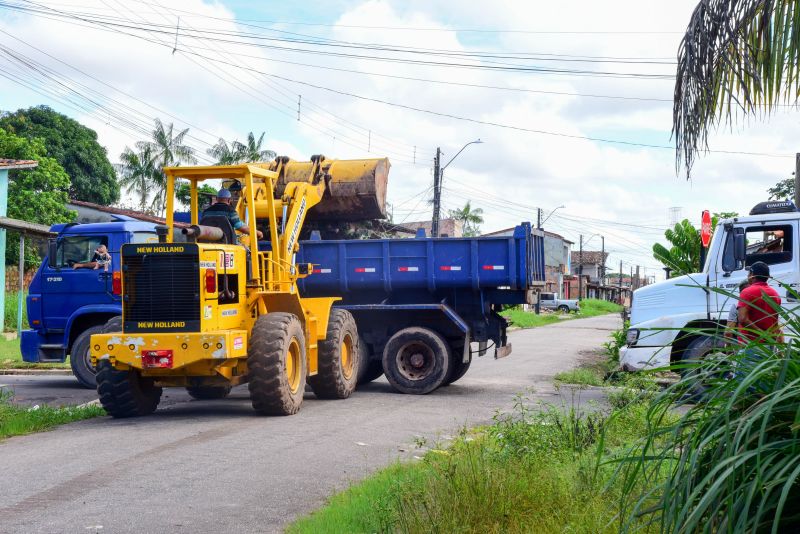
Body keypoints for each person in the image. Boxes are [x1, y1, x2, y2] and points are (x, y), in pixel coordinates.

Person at [737, 261, 782, 343]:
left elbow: (743, 319)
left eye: (748, 273)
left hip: (751, 345)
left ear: (752, 275)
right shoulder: (775, 294)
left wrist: (761, 333)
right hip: (768, 344)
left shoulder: (746, 292)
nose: (747, 276)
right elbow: (775, 323)